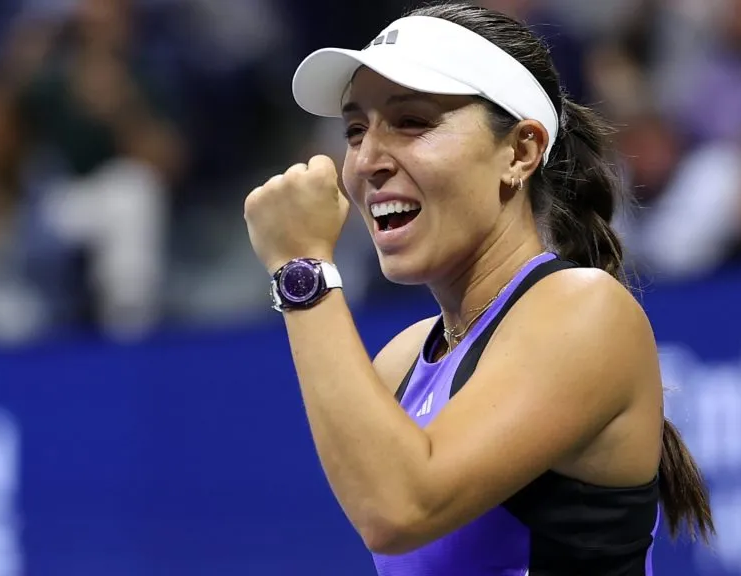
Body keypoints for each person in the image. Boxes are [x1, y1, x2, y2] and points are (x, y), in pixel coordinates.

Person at [243, 3, 715, 574]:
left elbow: (400, 509)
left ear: (520, 152)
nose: (366, 161)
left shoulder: (585, 310)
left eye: (411, 121)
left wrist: (304, 269)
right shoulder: (400, 360)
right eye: (355, 130)